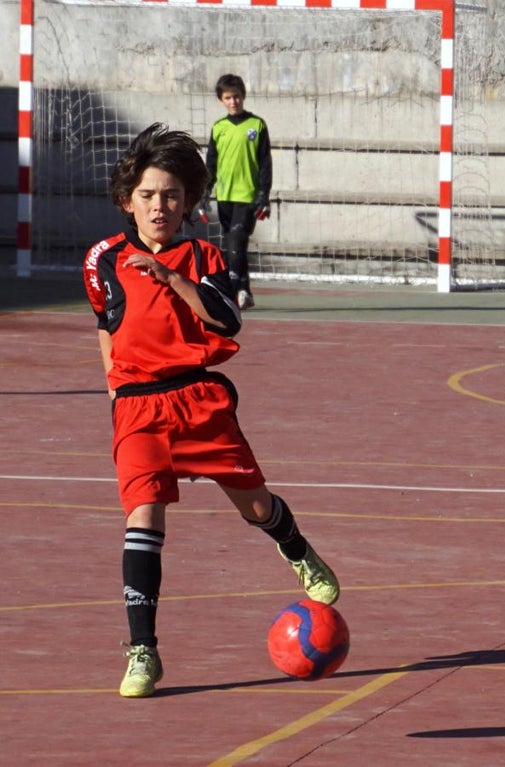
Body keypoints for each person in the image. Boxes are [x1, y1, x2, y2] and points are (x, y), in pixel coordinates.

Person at [82, 123, 339, 699]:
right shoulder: (102, 260)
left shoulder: (202, 255)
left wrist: (173, 279)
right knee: (143, 518)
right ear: (128, 199)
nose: (159, 206)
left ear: (188, 201)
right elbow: (107, 326)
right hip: (137, 406)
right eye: (148, 195)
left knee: (255, 503)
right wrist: (114, 390)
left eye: (171, 195)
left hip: (198, 399)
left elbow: (227, 320)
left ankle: (296, 548)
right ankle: (143, 651)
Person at [203, 73, 272, 310]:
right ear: (221, 100)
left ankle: (232, 291)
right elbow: (210, 164)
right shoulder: (219, 128)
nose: (234, 102)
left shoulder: (257, 125)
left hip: (248, 196)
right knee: (234, 246)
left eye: (237, 97)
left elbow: (265, 163)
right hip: (225, 196)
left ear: (244, 96)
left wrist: (264, 195)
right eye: (228, 98)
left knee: (236, 240)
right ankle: (245, 290)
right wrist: (205, 194)